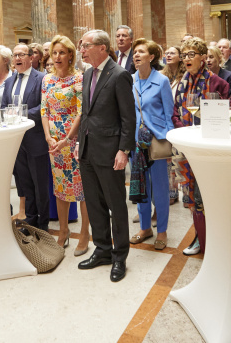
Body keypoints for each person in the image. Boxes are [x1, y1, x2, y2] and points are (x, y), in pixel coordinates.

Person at [75, 29, 136, 283]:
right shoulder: (88, 73)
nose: (82, 50)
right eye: (81, 45)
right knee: (94, 203)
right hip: (88, 148)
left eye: (86, 45)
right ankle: (102, 250)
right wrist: (80, 142)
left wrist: (123, 150)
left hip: (110, 151)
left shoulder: (119, 75)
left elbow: (128, 118)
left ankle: (119, 256)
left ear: (102, 47)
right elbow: (87, 112)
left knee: (116, 205)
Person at [172, 37, 229, 256]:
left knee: (209, 195)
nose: (186, 59)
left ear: (203, 58)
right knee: (191, 196)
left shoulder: (217, 83)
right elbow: (175, 112)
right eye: (184, 55)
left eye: (191, 54)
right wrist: (184, 133)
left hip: (209, 149)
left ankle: (216, 240)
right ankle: (199, 236)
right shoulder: (182, 83)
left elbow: (224, 115)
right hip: (185, 147)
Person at [40, 36, 89, 254]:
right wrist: (49, 137)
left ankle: (85, 234)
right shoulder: (47, 80)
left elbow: (81, 112)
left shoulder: (79, 79)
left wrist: (67, 139)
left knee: (81, 188)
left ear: (71, 55)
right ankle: (63, 231)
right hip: (54, 142)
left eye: (62, 52)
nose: (57, 57)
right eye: (54, 53)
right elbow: (44, 111)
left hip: (74, 139)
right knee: (60, 188)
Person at [129, 39, 174, 252]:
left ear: (152, 57)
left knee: (160, 188)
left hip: (156, 141)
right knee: (140, 185)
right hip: (136, 142)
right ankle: (145, 227)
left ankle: (162, 230)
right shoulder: (130, 81)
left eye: (141, 52)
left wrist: (169, 142)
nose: (136, 55)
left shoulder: (162, 81)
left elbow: (169, 114)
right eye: (134, 52)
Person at [1, 44, 50, 230]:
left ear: (31, 58)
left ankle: (43, 225)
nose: (17, 58)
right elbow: (5, 106)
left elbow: (45, 107)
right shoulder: (9, 80)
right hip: (16, 141)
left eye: (21, 55)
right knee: (25, 184)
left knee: (40, 186)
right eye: (15, 55)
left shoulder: (42, 78)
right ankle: (30, 220)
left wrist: (22, 113)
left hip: (35, 139)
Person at [161, 45, 185, 204]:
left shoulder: (186, 76)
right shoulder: (162, 75)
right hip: (165, 119)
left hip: (181, 118)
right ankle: (171, 192)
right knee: (168, 157)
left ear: (180, 56)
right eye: (167, 53)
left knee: (180, 156)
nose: (168, 55)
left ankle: (185, 191)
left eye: (172, 53)